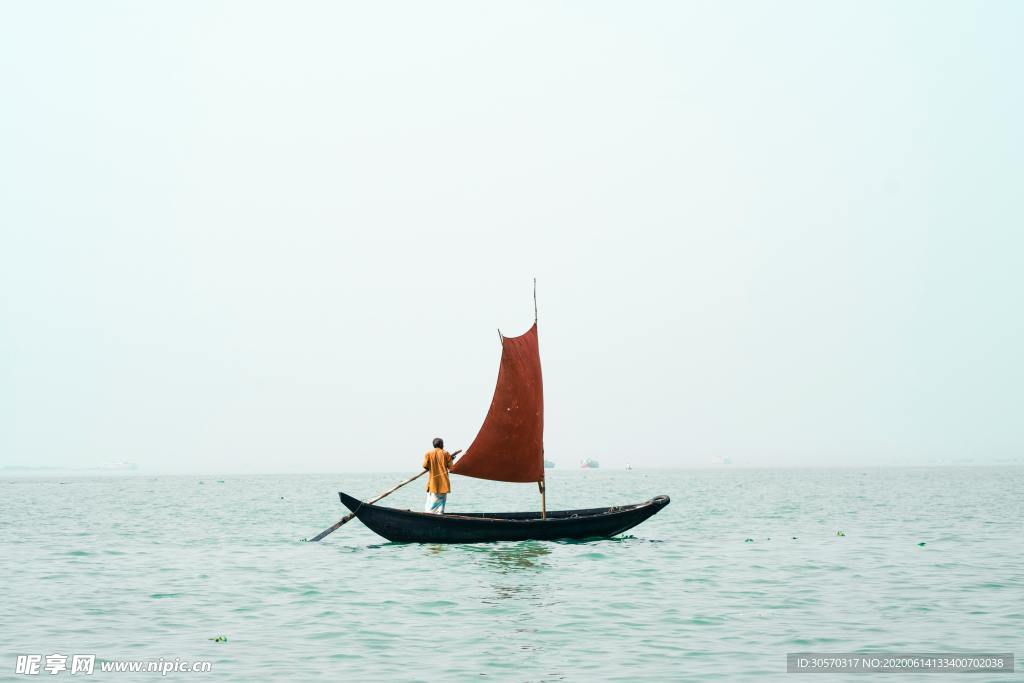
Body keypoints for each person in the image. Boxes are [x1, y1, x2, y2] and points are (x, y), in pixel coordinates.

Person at [422, 437, 454, 514]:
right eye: (443, 444)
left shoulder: (428, 454)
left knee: (430, 502)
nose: (444, 445)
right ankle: (438, 515)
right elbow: (451, 467)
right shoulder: (446, 454)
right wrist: (451, 459)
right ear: (441, 444)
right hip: (443, 484)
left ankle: (429, 515)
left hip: (432, 483)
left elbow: (425, 466)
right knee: (440, 506)